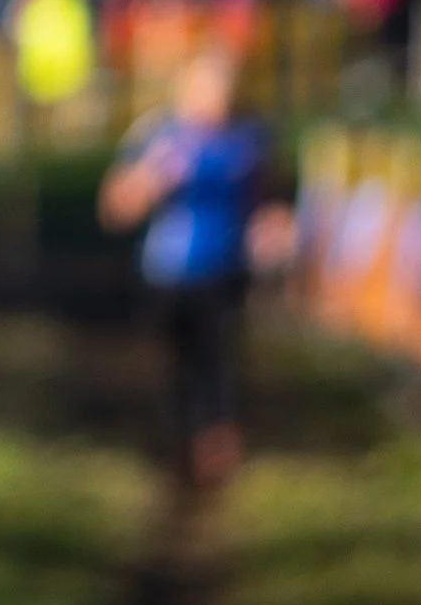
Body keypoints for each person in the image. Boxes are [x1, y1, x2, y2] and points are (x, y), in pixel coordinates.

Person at [98, 41, 292, 489]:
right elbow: (114, 207)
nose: (216, 98)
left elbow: (275, 196)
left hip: (227, 269)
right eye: (207, 87)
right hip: (167, 272)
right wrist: (148, 181)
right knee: (180, 360)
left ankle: (219, 451)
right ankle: (178, 448)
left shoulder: (252, 137)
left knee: (221, 359)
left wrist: (275, 227)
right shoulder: (158, 136)